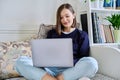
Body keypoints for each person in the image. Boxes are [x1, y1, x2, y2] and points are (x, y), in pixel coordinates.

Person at [14, 3, 98, 80]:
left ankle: (60, 78)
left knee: (92, 63)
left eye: (67, 16)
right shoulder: (52, 33)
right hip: (49, 71)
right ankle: (50, 78)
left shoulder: (82, 35)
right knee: (20, 61)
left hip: (70, 71)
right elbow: (46, 53)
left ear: (73, 15)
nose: (64, 20)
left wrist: (68, 63)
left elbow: (83, 58)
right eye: (61, 17)